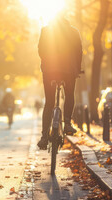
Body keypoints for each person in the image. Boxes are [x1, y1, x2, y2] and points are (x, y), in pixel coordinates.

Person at [37, 14, 83, 150]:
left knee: (49, 102)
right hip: (69, 70)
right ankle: (67, 123)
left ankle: (44, 137)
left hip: (50, 70)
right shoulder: (74, 31)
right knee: (69, 94)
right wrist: (77, 69)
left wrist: (46, 63)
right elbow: (79, 51)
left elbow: (40, 50)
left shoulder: (45, 30)